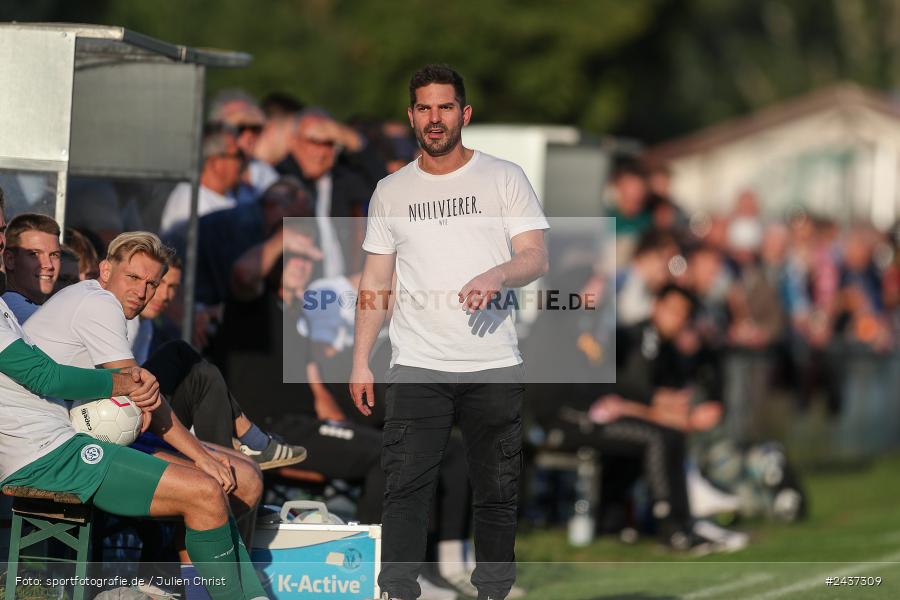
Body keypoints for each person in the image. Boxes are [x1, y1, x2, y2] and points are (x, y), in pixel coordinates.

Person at [350, 64, 549, 600]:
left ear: (464, 113)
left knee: (496, 491)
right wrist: (360, 359)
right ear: (411, 116)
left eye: (444, 107)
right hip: (416, 363)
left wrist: (497, 273)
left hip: (492, 362)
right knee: (405, 489)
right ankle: (397, 590)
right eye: (424, 108)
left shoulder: (503, 177)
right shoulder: (390, 191)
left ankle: (494, 591)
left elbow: (535, 256)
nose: (434, 119)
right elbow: (375, 281)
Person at [160, 123, 244, 235]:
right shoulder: (191, 200)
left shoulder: (229, 194)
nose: (241, 162)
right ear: (215, 163)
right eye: (237, 155)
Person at [2, 213, 62, 322]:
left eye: (54, 255)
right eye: (35, 254)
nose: (48, 265)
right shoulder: (22, 315)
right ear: (9, 260)